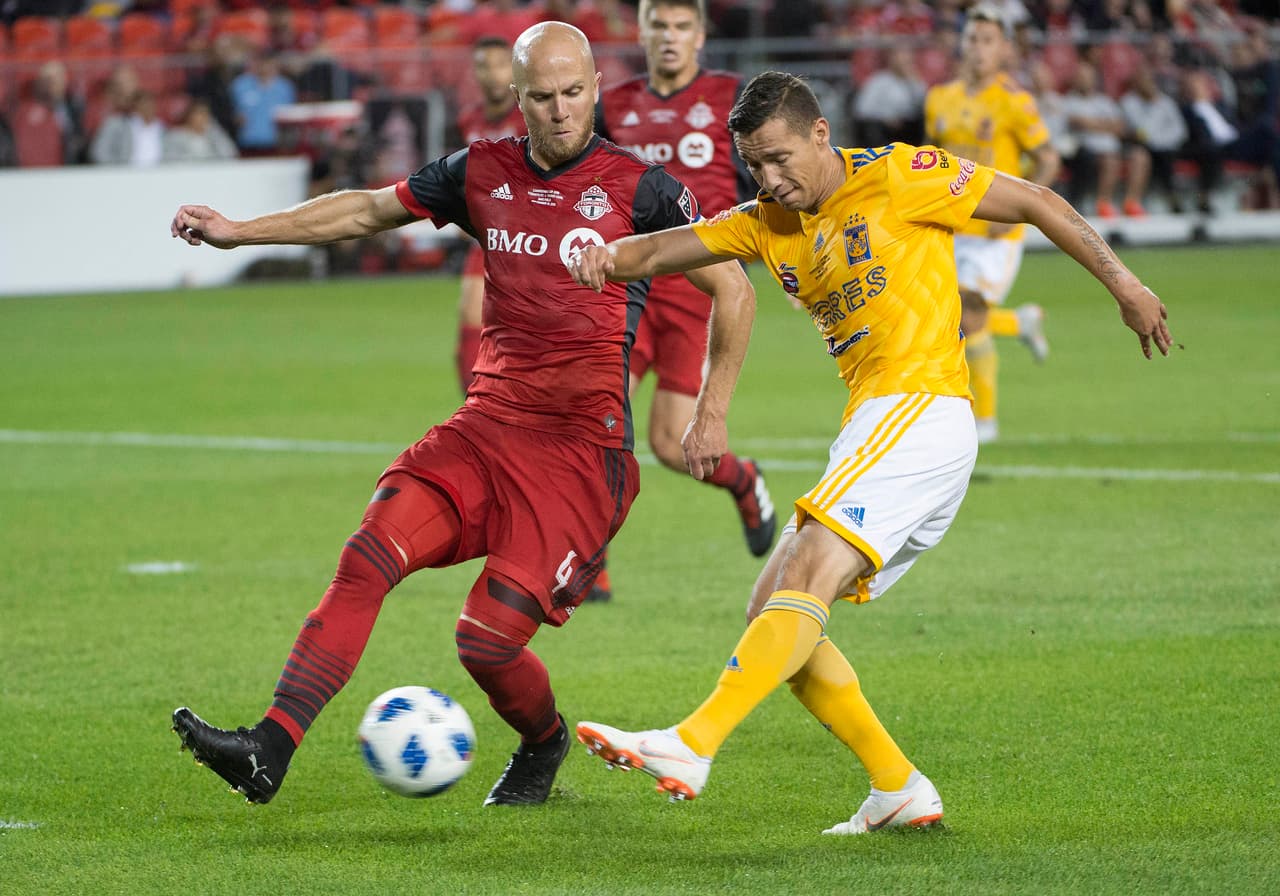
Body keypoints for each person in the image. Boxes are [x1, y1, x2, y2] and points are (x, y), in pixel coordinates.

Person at [567, 70, 1171, 834]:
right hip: (877, 423)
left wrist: (1124, 282)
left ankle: (692, 743)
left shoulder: (901, 176)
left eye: (783, 158)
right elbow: (657, 254)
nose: (771, 179)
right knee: (772, 610)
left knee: (807, 574)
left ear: (822, 133)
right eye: (755, 165)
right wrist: (594, 254)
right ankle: (898, 788)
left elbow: (1035, 201)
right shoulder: (764, 221)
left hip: (922, 407)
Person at [168, 21, 754, 809]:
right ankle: (269, 746)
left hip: (581, 457)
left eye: (574, 93)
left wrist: (710, 415)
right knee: (367, 554)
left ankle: (543, 744)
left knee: (484, 641)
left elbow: (735, 288)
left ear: (594, 89)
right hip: (485, 429)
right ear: (516, 97)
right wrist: (240, 232)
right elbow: (366, 212)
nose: (559, 110)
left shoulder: (640, 187)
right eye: (541, 96)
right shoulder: (479, 171)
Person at [592, 0, 776, 602]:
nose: (669, 37)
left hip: (704, 284)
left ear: (699, 35)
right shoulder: (614, 104)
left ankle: (743, 481)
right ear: (641, 33)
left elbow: (773, 184)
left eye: (680, 27)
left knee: (672, 445)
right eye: (658, 26)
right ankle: (589, 564)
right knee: (596, 417)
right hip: (633, 281)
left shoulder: (730, 97)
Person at [924, 3, 1060, 445]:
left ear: (1004, 50)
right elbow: (928, 162)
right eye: (972, 39)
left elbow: (1048, 159)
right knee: (949, 316)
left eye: (987, 41)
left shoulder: (1014, 102)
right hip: (951, 226)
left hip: (995, 233)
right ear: (961, 44)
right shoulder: (939, 98)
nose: (978, 49)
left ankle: (985, 421)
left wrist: (1023, 208)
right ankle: (1020, 324)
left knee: (965, 311)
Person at [453, 35, 528, 396]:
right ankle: (476, 407)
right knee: (468, 319)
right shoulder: (469, 121)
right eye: (484, 66)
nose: (492, 74)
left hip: (531, 236)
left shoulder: (530, 116)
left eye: (500, 65)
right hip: (487, 236)